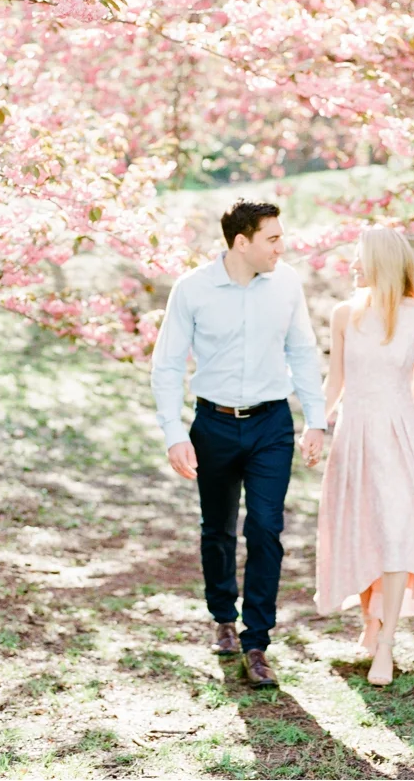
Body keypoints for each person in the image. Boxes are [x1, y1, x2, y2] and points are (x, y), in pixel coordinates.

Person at [150, 200, 326, 688]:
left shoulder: (287, 283)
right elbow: (167, 364)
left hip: (272, 424)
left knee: (267, 528)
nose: (281, 247)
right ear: (241, 242)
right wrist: (173, 433)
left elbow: (303, 350)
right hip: (214, 424)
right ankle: (223, 616)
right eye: (272, 238)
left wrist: (316, 420)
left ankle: (257, 641)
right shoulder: (193, 289)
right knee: (218, 529)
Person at [312, 226, 414, 686]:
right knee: (366, 526)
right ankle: (369, 620)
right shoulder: (344, 313)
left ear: (382, 262)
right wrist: (315, 424)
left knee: (395, 531)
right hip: (354, 433)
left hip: (398, 433)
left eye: (359, 257)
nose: (352, 265)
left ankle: (387, 641)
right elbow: (336, 380)